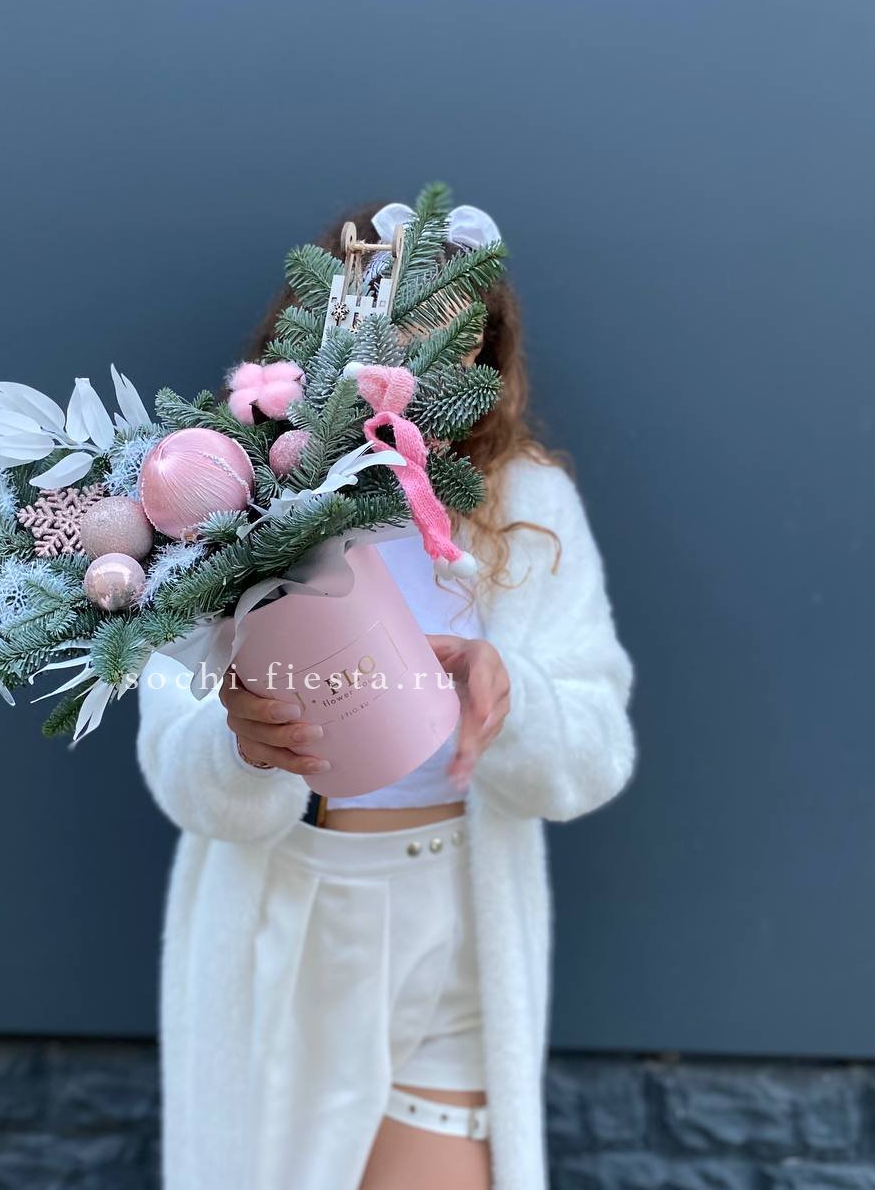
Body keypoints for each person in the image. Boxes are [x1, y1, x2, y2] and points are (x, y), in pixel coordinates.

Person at [135, 200, 637, 1190]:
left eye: (459, 329)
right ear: (330, 318)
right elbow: (184, 774)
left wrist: (515, 699)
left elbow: (595, 753)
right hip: (289, 924)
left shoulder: (528, 503)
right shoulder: (232, 490)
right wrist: (244, 743)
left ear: (485, 347)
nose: (426, 352)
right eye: (399, 316)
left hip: (456, 922)